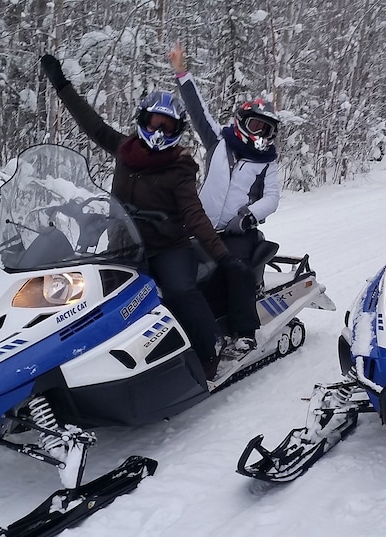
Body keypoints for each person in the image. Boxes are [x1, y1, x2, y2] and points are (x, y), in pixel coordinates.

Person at [40, 54, 247, 380]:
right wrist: (61, 84)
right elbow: (89, 122)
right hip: (124, 244)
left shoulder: (180, 167)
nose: (159, 131)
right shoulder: (125, 149)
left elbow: (194, 215)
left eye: (167, 126)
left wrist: (223, 256)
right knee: (89, 293)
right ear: (143, 121)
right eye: (154, 122)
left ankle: (212, 345)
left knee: (179, 291)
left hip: (168, 247)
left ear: (178, 130)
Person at [168, 41, 282, 358]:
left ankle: (244, 333)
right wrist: (181, 71)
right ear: (242, 123)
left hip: (238, 232)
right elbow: (196, 108)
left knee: (237, 269)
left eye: (267, 129)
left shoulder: (267, 161)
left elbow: (272, 198)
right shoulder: (219, 141)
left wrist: (248, 215)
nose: (261, 134)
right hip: (201, 225)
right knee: (175, 266)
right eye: (257, 126)